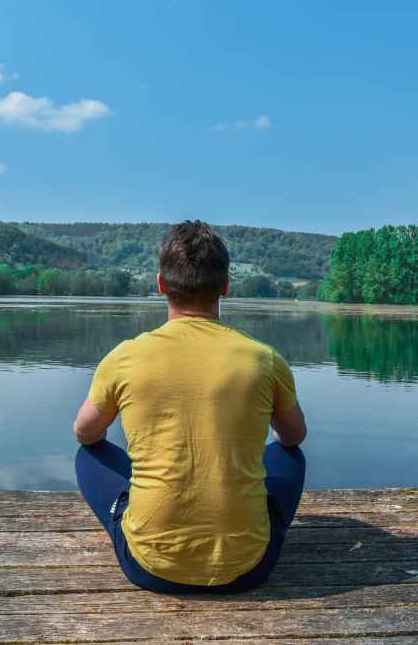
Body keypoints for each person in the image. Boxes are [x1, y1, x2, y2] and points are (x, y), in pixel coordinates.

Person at [73, 220, 307, 592]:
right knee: (289, 456)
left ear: (161, 284)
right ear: (225, 287)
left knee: (88, 454)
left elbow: (84, 432)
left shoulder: (126, 357)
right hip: (250, 568)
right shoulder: (264, 359)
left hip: (149, 567)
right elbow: (294, 436)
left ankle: (139, 517)